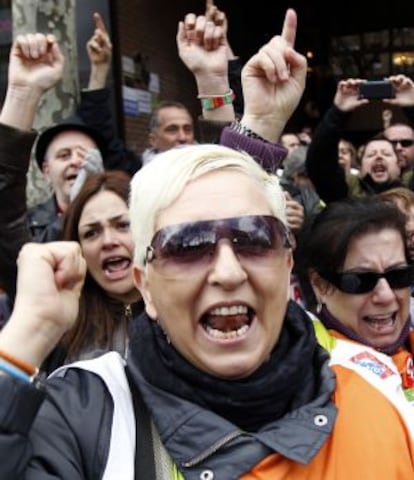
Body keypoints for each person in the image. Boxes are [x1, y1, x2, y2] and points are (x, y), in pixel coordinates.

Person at [1, 9, 414, 477]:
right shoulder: (85, 413)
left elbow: (222, 195)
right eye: (186, 246)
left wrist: (236, 100)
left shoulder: (377, 387)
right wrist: (22, 344)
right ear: (146, 283)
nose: (228, 270)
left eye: (254, 240)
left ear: (288, 262)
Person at [296, 196, 414, 405]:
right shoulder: (303, 379)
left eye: (398, 275)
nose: (386, 295)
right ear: (319, 285)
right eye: (360, 280)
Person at [42, 170, 144, 373]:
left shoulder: (181, 317)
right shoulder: (63, 329)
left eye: (123, 225)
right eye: (92, 233)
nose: (108, 241)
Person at [306, 76, 414, 203]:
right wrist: (338, 112)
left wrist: (412, 106)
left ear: (398, 166)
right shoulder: (345, 194)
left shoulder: (410, 193)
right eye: (370, 155)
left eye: (386, 154)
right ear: (360, 167)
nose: (379, 157)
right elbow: (320, 164)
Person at [141, 100, 196, 165]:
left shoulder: (208, 164)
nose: (182, 138)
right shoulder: (148, 174)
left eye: (187, 129)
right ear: (153, 140)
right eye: (172, 130)